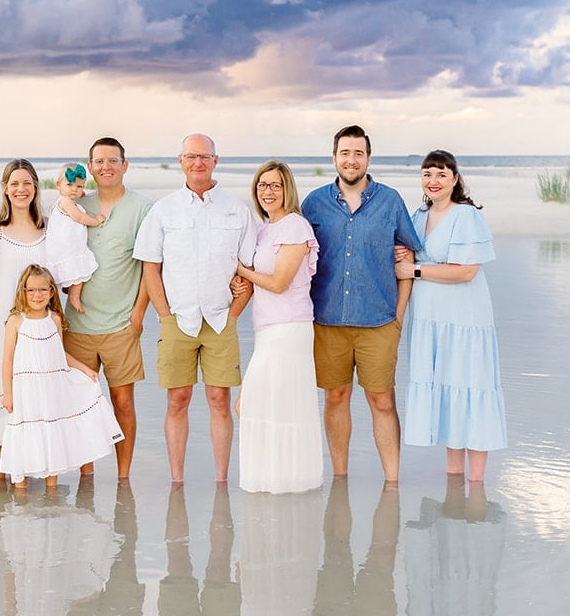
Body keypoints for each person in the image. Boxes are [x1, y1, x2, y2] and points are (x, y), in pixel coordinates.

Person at [301, 125, 424, 484]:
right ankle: (340, 479)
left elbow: (408, 255)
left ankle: (392, 483)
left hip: (379, 321)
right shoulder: (314, 203)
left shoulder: (390, 201)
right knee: (336, 397)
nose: (351, 160)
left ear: (368, 158)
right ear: (334, 158)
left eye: (358, 153)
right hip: (327, 321)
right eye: (344, 153)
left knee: (382, 400)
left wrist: (398, 315)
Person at [133, 133, 256, 484]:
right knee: (178, 400)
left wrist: (233, 314)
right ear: (180, 160)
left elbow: (248, 269)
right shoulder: (164, 210)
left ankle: (220, 480)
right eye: (191, 156)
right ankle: (177, 480)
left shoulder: (237, 210)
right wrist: (164, 317)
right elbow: (150, 268)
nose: (198, 162)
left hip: (221, 319)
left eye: (204, 156)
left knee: (219, 399)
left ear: (216, 160)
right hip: (177, 320)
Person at [394, 150, 507, 483]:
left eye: (442, 174)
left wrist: (413, 269)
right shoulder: (417, 216)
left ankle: (477, 485)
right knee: (447, 391)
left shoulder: (466, 215)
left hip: (465, 321)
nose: (433, 181)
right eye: (427, 174)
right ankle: (454, 483)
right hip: (430, 321)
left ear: (455, 179)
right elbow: (404, 254)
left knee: (470, 387)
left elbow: (466, 271)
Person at [62, 137, 152, 482]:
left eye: (112, 160)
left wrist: (138, 314)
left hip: (121, 325)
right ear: (90, 167)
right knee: (81, 405)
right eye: (98, 161)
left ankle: (123, 478)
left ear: (125, 165)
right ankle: (87, 476)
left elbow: (150, 267)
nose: (105, 167)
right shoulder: (76, 206)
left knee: (123, 403)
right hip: (78, 325)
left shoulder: (143, 209)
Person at [233, 160, 323, 494]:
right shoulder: (263, 230)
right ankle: (271, 482)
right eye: (262, 185)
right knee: (268, 402)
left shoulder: (295, 226)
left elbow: (279, 282)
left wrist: (241, 270)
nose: (268, 192)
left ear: (287, 189)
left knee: (259, 401)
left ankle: (290, 482)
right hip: (267, 329)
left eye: (275, 185)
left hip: (289, 327)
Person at [0, 265, 122, 489]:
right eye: (31, 290)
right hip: (26, 391)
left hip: (51, 389)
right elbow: (7, 360)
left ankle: (52, 493)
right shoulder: (16, 321)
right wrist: (8, 393)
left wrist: (85, 369)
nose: (37, 295)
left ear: (52, 292)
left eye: (43, 290)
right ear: (23, 291)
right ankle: (20, 492)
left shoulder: (54, 319)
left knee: (51, 432)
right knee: (25, 432)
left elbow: (60, 353)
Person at [0, 158, 48, 473]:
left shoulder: (49, 227)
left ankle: (33, 473)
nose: (21, 189)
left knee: (34, 400)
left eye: (26, 183)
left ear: (35, 187)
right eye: (14, 184)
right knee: (1, 398)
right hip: (0, 327)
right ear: (5, 189)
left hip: (38, 332)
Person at [44, 163, 105, 314]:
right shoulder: (65, 202)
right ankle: (74, 296)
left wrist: (80, 194)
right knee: (80, 269)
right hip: (67, 247)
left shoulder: (68, 200)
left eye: (79, 187)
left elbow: (77, 198)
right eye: (69, 184)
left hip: (63, 245)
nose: (74, 189)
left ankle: (69, 288)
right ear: (58, 185)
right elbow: (78, 217)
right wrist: (95, 221)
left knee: (75, 269)